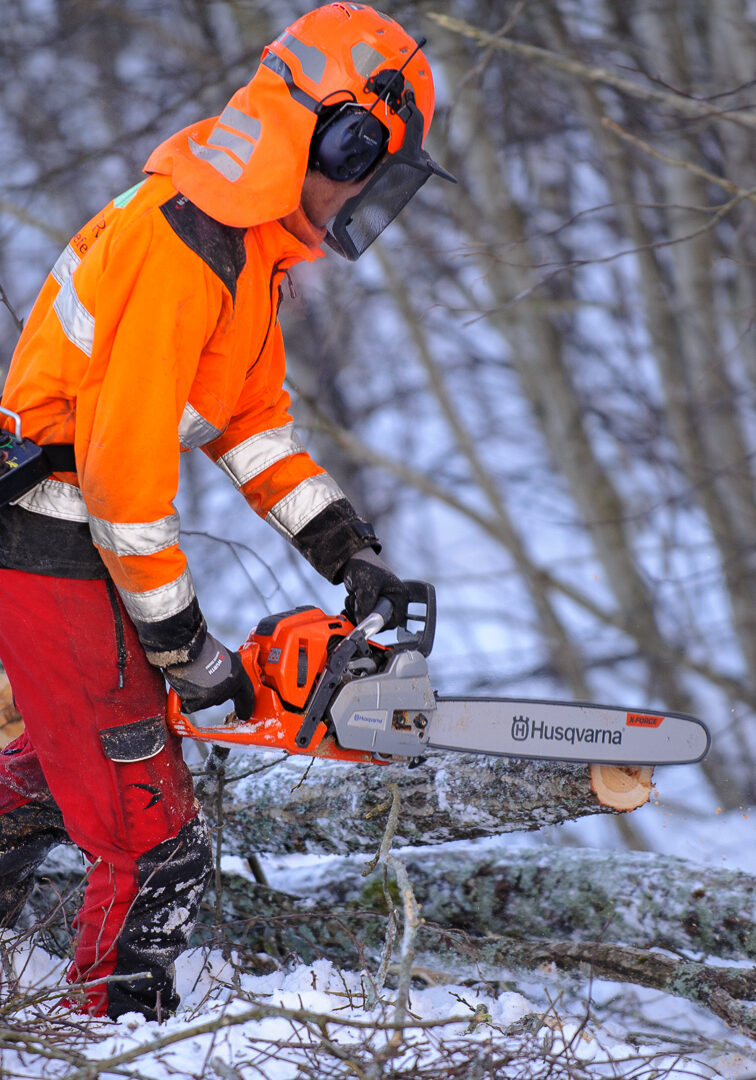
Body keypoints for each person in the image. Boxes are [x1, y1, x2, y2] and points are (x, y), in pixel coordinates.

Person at [0, 3, 453, 1021]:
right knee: (153, 839)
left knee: (54, 778)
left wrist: (348, 551)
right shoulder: (184, 241)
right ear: (332, 134)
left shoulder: (246, 252)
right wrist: (188, 652)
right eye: (364, 162)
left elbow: (249, 423)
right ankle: (108, 1035)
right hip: (53, 537)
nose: (366, 190)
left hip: (74, 541)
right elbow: (121, 480)